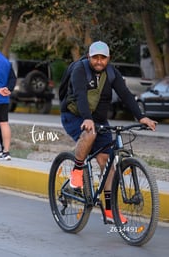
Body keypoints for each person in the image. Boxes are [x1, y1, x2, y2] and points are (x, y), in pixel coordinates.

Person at [61, 41, 157, 223]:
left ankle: (110, 210)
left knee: (107, 162)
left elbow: (126, 95)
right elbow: (81, 96)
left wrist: (141, 116)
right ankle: (76, 173)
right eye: (95, 57)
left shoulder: (112, 73)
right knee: (89, 134)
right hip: (74, 115)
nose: (99, 61)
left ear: (108, 59)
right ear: (89, 57)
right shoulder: (79, 70)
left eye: (102, 58)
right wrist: (87, 118)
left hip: (99, 120)